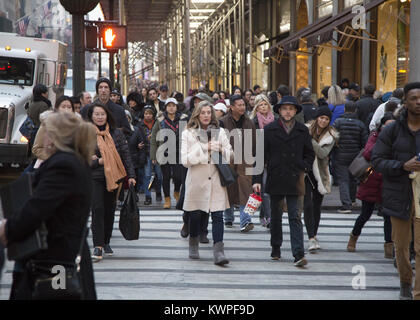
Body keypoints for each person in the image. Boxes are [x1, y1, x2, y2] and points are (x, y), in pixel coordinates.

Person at [0, 112, 97, 299]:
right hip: (55, 259)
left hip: (53, 261)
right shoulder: (71, 161)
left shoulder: (64, 164)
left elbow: (37, 208)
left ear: (53, 137)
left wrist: (7, 229)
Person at [252, 95, 315, 267]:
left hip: (295, 178)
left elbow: (310, 154)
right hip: (276, 176)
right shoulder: (270, 129)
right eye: (284, 109)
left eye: (291, 109)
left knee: (295, 216)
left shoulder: (302, 130)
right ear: (279, 111)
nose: (287, 112)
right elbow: (260, 156)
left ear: (295, 111)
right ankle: (276, 247)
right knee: (276, 215)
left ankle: (298, 253)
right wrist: (256, 179)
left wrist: (304, 166)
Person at [371, 82, 420, 300]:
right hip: (398, 194)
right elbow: (377, 160)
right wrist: (402, 166)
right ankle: (405, 282)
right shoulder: (392, 130)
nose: (418, 102)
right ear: (405, 102)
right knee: (401, 247)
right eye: (413, 98)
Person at [181, 101, 234, 265]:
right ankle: (193, 242)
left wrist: (221, 149)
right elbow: (185, 160)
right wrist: (205, 147)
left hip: (217, 180)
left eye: (208, 112)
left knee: (218, 216)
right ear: (197, 114)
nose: (206, 115)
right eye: (202, 112)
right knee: (196, 215)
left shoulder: (220, 132)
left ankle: (219, 251)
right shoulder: (188, 133)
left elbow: (231, 155)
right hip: (197, 181)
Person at [86, 102, 136, 262]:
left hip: (114, 177)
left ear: (107, 116)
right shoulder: (85, 133)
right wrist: (97, 162)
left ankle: (106, 241)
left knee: (109, 210)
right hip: (95, 177)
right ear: (91, 116)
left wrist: (132, 175)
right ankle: (98, 245)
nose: (99, 117)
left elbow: (125, 154)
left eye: (102, 114)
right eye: (96, 114)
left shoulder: (116, 134)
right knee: (97, 209)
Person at [347, 112, 395, 258]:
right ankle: (353, 237)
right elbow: (368, 154)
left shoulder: (399, 138)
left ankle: (389, 246)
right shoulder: (375, 137)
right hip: (371, 180)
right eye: (388, 126)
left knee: (388, 216)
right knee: (365, 214)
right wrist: (384, 144)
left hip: (388, 182)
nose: (390, 129)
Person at [304, 105, 339, 252]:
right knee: (307, 205)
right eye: (321, 118)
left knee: (317, 206)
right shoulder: (305, 129)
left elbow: (322, 153)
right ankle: (311, 237)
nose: (323, 121)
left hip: (320, 173)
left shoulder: (331, 135)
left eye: (326, 119)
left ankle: (314, 234)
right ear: (317, 118)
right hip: (305, 171)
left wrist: (309, 140)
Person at [220, 95, 256, 232]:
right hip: (228, 161)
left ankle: (245, 221)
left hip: (245, 162)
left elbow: (254, 143)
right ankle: (228, 217)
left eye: (243, 105)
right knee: (228, 189)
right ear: (231, 107)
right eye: (239, 105)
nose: (242, 107)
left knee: (245, 191)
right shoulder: (223, 122)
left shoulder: (249, 122)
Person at [150, 97, 188, 209]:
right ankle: (167, 198)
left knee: (178, 176)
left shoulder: (183, 119)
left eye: (173, 106)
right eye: (169, 106)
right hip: (164, 152)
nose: (171, 108)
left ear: (176, 107)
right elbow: (153, 138)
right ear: (166, 108)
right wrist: (153, 155)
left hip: (178, 152)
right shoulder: (160, 120)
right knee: (165, 177)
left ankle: (177, 191)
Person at [333, 101, 368, 213]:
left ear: (344, 110)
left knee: (343, 180)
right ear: (355, 110)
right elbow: (365, 142)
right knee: (353, 178)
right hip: (355, 155)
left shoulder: (338, 122)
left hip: (341, 154)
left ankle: (346, 205)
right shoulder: (360, 124)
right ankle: (352, 200)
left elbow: (333, 137)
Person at [250, 94, 277, 228]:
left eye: (265, 104)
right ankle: (264, 216)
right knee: (261, 187)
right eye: (260, 105)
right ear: (257, 107)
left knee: (268, 188)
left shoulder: (276, 120)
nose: (263, 107)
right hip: (258, 158)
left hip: (273, 158)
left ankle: (265, 215)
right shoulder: (253, 122)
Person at [137, 106, 162, 205]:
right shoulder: (140, 125)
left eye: (150, 113)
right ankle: (148, 196)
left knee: (159, 175)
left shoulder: (158, 123)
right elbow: (136, 136)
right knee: (147, 175)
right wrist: (137, 144)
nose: (148, 115)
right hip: (146, 152)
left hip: (158, 152)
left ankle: (159, 192)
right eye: (146, 113)